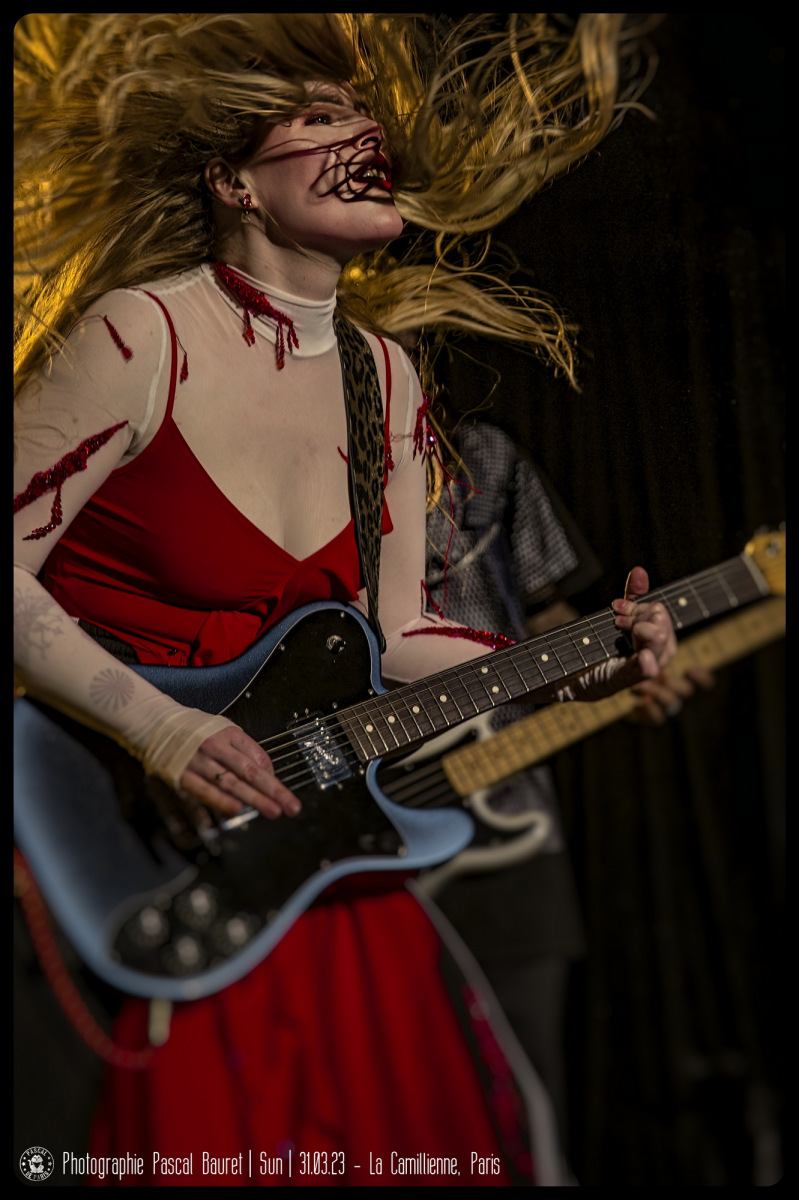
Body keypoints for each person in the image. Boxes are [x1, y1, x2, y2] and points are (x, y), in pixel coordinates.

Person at [13, 13, 676, 1187]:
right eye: (321, 117)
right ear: (234, 182)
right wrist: (159, 729)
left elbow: (397, 634)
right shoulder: (141, 337)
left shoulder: (384, 377)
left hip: (299, 868)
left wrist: (576, 664)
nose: (366, 135)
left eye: (365, 114)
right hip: (112, 845)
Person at [408, 416, 714, 1158]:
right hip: (360, 821)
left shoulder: (483, 452)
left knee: (525, 1102)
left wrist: (619, 672)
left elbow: (545, 612)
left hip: (511, 813)